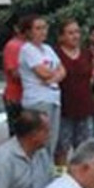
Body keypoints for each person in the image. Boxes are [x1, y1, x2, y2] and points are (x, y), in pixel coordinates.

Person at [18, 15, 66, 158]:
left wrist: (53, 78)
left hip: (53, 97)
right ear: (29, 31)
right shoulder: (27, 50)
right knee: (40, 141)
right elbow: (43, 73)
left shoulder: (48, 49)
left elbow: (63, 70)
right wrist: (54, 76)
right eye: (38, 28)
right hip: (38, 100)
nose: (42, 32)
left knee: (51, 140)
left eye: (44, 28)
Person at [55, 19, 94, 166]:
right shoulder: (55, 54)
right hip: (63, 109)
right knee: (61, 148)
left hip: (85, 107)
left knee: (85, 149)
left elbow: (93, 72)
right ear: (61, 36)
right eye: (70, 33)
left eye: (77, 32)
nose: (75, 36)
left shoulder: (86, 53)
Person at [2, 15, 31, 138]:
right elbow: (14, 72)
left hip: (27, 96)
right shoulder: (13, 46)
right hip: (16, 97)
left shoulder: (30, 46)